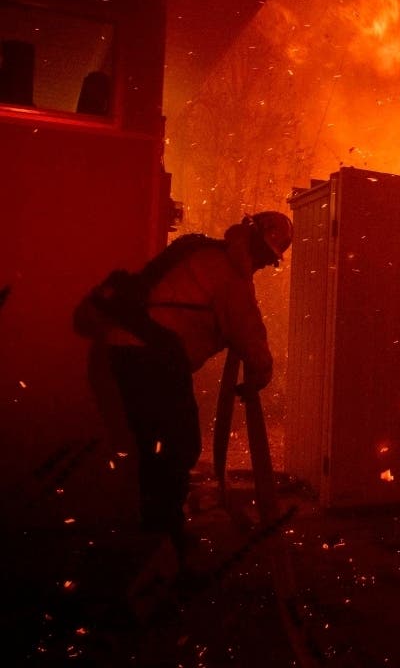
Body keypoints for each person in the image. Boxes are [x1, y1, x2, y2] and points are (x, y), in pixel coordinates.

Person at [74, 211, 293, 565]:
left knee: (153, 446)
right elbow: (248, 331)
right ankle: (166, 537)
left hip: (126, 353)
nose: (264, 267)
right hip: (151, 357)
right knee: (179, 443)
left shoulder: (206, 254)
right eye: (267, 259)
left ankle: (152, 535)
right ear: (256, 244)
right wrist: (261, 373)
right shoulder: (229, 273)